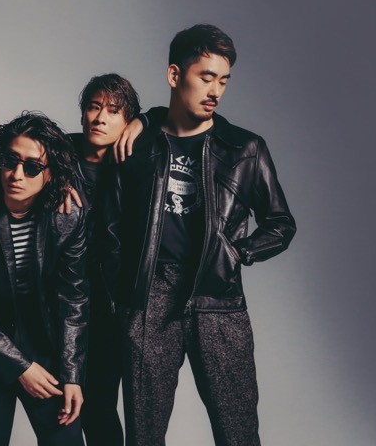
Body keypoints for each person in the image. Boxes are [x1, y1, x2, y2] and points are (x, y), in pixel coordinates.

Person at [104, 24, 297, 446]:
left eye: (223, 80)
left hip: (218, 299)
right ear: (175, 75)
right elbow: (110, 227)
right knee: (144, 435)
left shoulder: (244, 148)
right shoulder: (136, 145)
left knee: (238, 434)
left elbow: (281, 223)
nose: (216, 91)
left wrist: (238, 252)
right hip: (149, 299)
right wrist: (125, 293)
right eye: (206, 77)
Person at [0, 112, 89, 446]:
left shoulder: (68, 215)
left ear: (51, 173)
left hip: (44, 346)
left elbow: (74, 298)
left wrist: (72, 374)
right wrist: (20, 366)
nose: (17, 175)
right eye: (10, 161)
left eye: (33, 167)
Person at [71, 73, 140, 446]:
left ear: (128, 122)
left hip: (110, 307)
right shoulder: (55, 154)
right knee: (62, 411)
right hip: (58, 303)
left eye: (113, 111)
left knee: (99, 407)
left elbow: (176, 121)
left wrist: (146, 121)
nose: (100, 118)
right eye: (94, 107)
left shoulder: (137, 164)